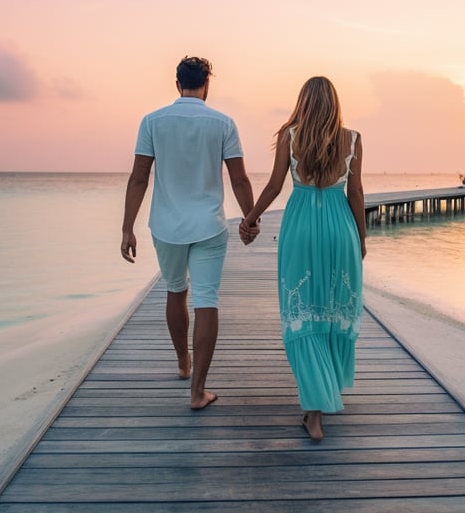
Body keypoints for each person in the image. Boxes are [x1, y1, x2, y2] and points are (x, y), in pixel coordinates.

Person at [121, 56, 255, 410]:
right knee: (206, 299)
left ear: (177, 84)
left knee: (175, 290)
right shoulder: (223, 123)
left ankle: (183, 363)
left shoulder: (153, 121)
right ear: (206, 85)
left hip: (166, 226)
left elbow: (139, 177)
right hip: (209, 225)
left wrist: (127, 228)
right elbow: (238, 178)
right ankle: (198, 391)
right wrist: (250, 218)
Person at [238, 76, 366, 441]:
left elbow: (275, 186)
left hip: (301, 228)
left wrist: (250, 219)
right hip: (340, 227)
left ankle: (314, 412)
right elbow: (355, 192)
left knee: (303, 310)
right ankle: (325, 393)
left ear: (303, 103)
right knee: (333, 306)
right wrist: (362, 237)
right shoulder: (352, 138)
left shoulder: (290, 136)